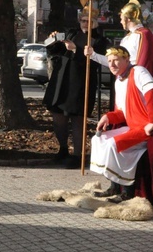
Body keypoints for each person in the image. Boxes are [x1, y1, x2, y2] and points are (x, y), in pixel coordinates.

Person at [88, 46, 153, 206]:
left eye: (116, 60)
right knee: (99, 139)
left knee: (114, 145)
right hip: (135, 125)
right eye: (109, 61)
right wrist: (108, 117)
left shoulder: (139, 71)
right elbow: (123, 112)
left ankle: (127, 193)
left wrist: (152, 121)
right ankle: (114, 187)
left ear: (127, 60)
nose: (112, 65)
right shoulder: (119, 81)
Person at [43, 9, 110, 168]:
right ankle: (63, 149)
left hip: (81, 84)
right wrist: (52, 42)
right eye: (83, 21)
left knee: (78, 119)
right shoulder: (71, 33)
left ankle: (78, 155)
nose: (85, 24)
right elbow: (55, 52)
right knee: (58, 117)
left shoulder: (99, 40)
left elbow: (96, 62)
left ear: (95, 23)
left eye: (89, 21)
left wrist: (76, 50)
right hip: (62, 81)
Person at [88, 0, 153, 78]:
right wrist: (93, 55)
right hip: (123, 79)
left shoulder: (143, 34)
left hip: (134, 80)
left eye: (121, 18)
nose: (121, 22)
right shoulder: (126, 38)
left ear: (128, 19)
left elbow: (144, 62)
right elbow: (114, 61)